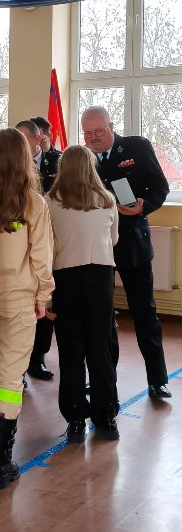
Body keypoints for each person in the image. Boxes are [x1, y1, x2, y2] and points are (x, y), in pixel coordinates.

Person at [0, 128, 54, 489]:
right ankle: (3, 462)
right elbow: (41, 257)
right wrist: (43, 296)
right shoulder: (33, 203)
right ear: (24, 158)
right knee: (9, 378)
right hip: (18, 301)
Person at [81, 106, 171, 399]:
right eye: (87, 133)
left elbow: (160, 186)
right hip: (98, 246)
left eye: (99, 131)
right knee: (101, 316)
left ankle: (157, 379)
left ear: (111, 126)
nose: (93, 138)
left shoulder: (136, 148)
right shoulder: (82, 158)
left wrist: (144, 205)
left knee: (144, 312)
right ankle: (104, 380)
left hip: (132, 242)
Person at [46, 145, 119, 442]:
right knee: (101, 348)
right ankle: (106, 416)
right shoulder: (107, 199)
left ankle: (75, 417)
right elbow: (113, 239)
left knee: (71, 350)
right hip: (100, 277)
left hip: (65, 278)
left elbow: (47, 245)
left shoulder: (50, 201)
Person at [16, 118, 56, 382]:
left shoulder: (57, 161)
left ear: (37, 138)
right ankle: (17, 367)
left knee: (43, 305)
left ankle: (37, 359)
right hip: (18, 240)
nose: (19, 143)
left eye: (23, 138)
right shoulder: (12, 163)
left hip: (48, 237)